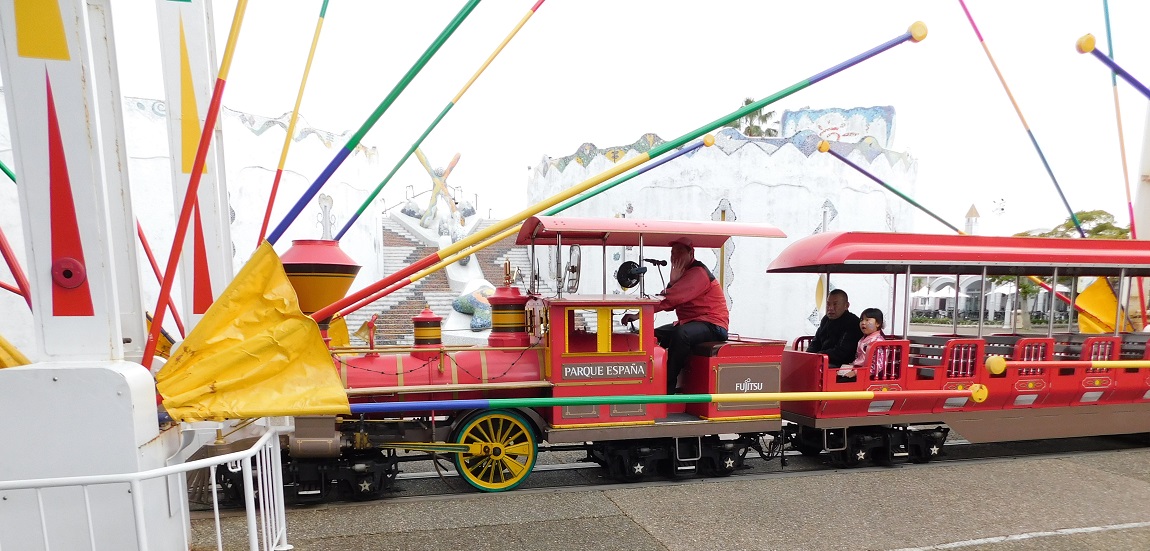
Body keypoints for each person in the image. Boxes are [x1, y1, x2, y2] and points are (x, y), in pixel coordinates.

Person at [620, 237, 728, 394]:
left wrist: (638, 315)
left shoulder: (698, 273)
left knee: (681, 334)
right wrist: (673, 282)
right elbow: (672, 302)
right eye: (672, 252)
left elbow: (671, 299)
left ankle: (667, 386)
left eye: (679, 252)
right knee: (653, 334)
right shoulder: (684, 274)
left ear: (691, 254)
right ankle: (649, 378)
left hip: (712, 324)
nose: (674, 256)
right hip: (690, 322)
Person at [807, 289, 863, 367]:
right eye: (828, 304)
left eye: (835, 304)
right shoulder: (825, 319)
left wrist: (818, 356)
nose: (830, 308)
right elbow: (816, 342)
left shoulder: (852, 322)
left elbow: (842, 352)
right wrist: (808, 356)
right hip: (823, 359)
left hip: (842, 364)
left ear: (846, 306)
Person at [838, 307, 887, 379]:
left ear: (878, 323)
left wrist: (856, 373)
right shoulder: (863, 339)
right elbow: (858, 359)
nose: (863, 323)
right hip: (858, 370)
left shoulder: (878, 341)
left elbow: (878, 365)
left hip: (869, 375)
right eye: (861, 320)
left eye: (867, 320)